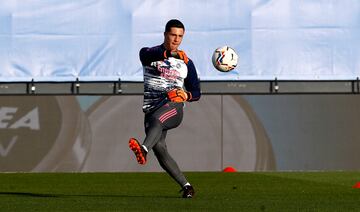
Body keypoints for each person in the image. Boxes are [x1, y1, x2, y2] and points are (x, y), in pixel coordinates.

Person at [128, 19, 201, 198]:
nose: (176, 39)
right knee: (160, 148)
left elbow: (196, 92)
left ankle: (143, 149)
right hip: (152, 108)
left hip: (174, 107)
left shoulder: (187, 62)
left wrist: (187, 95)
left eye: (180, 36)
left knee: (157, 122)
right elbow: (147, 54)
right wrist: (170, 54)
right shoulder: (149, 53)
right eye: (173, 35)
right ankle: (187, 186)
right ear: (165, 34)